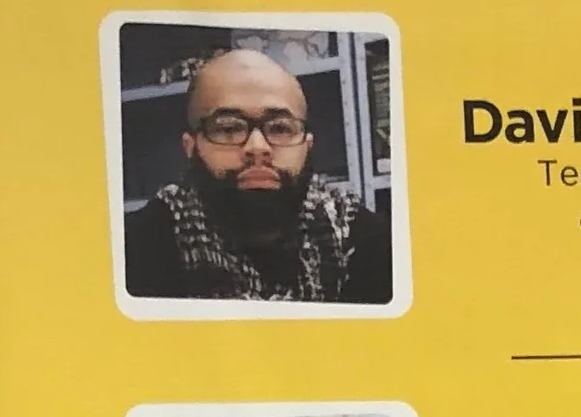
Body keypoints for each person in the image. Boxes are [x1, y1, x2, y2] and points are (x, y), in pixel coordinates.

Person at [122, 49, 393, 305]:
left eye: (280, 128)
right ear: (191, 147)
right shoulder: (135, 252)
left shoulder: (370, 244)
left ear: (307, 145)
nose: (257, 147)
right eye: (229, 128)